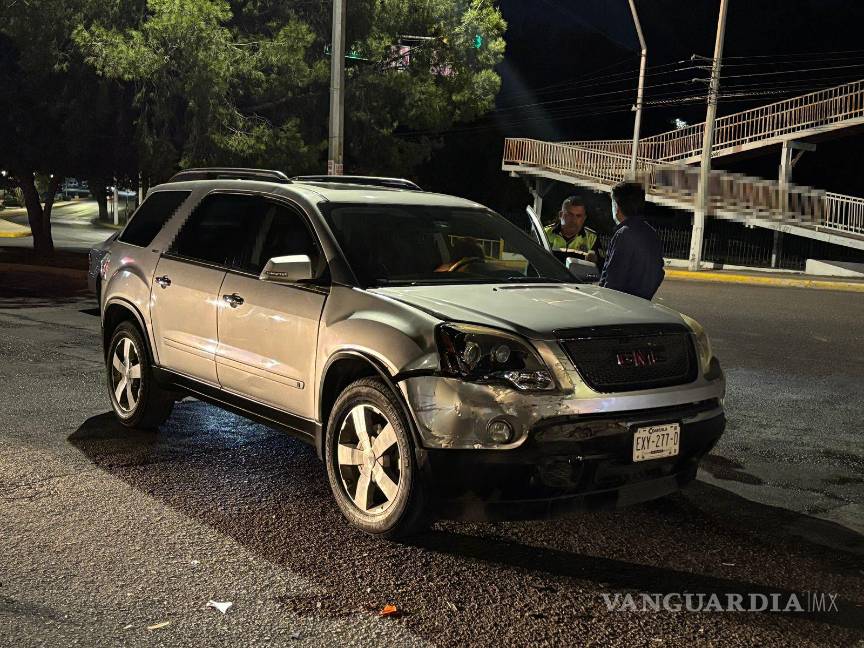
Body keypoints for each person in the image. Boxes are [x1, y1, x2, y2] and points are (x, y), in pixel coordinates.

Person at [599, 181, 665, 300]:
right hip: (642, 305)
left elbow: (613, 279)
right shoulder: (651, 233)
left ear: (617, 207)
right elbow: (659, 273)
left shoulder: (623, 234)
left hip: (619, 307)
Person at [544, 196, 603, 268]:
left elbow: (601, 268)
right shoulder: (545, 233)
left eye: (578, 216)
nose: (574, 220)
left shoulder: (592, 238)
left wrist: (595, 262)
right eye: (570, 214)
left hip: (577, 279)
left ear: (584, 218)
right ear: (560, 215)